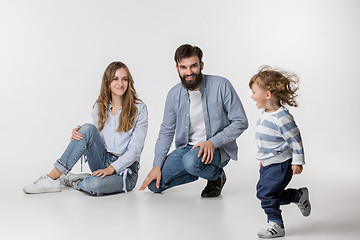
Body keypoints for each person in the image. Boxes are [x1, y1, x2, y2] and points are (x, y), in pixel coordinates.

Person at [23, 61, 148, 196]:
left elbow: (135, 151)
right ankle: (52, 178)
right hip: (102, 160)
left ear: (129, 82)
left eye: (125, 79)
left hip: (125, 172)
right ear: (108, 82)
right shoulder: (100, 106)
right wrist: (79, 135)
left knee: (95, 185)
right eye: (115, 79)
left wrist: (111, 169)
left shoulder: (139, 108)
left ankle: (78, 180)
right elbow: (92, 137)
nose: (121, 84)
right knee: (86, 129)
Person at [140, 44, 248, 198]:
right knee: (155, 185)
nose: (189, 72)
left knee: (191, 161)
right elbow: (166, 130)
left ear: (201, 65)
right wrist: (156, 165)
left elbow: (240, 121)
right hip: (187, 149)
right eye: (183, 67)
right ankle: (194, 169)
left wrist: (212, 142)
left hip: (216, 148)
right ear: (177, 68)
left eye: (193, 66)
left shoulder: (221, 85)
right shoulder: (173, 94)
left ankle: (216, 176)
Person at [249, 65, 311, 238]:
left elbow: (295, 140)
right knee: (266, 193)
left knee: (266, 194)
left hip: (280, 164)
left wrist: (297, 161)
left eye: (254, 92)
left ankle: (276, 224)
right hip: (268, 163)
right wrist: (263, 158)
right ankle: (297, 196)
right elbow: (268, 141)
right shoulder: (265, 113)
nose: (251, 96)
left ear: (267, 94)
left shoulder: (282, 117)